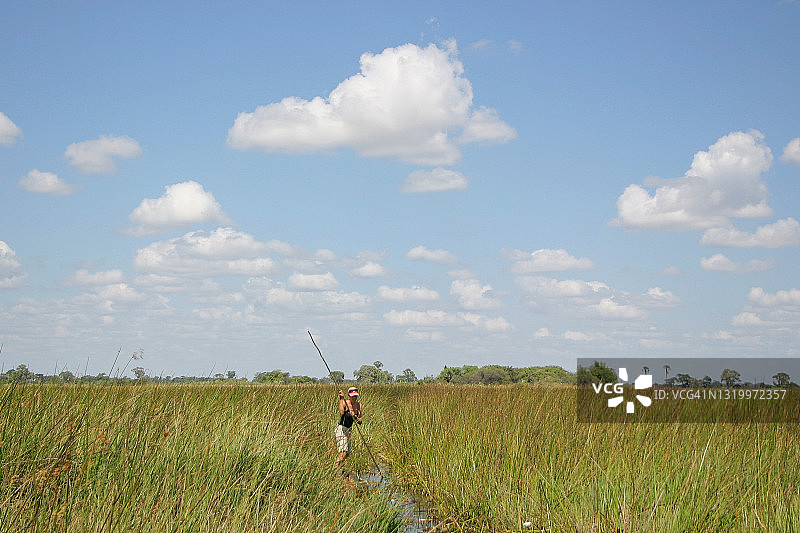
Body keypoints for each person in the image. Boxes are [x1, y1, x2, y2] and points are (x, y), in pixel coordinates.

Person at [334, 386, 362, 468]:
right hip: (341, 429)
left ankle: (342, 470)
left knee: (347, 454)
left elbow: (360, 421)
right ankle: (335, 469)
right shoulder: (345, 403)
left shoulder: (358, 405)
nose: (354, 398)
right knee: (343, 452)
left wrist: (355, 417)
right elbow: (342, 413)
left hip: (349, 430)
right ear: (349, 396)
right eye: (353, 396)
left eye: (356, 396)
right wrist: (341, 398)